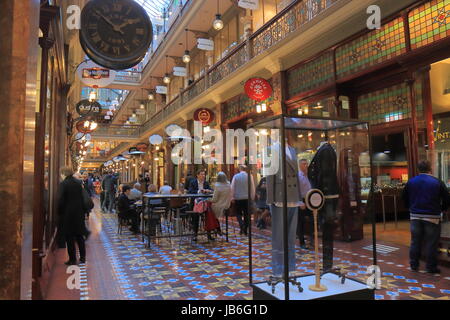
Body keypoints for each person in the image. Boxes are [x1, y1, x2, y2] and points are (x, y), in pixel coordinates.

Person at [402, 160, 449, 274]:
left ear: (418, 169)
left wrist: (410, 207)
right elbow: (447, 198)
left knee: (415, 241)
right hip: (432, 216)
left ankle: (414, 265)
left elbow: (404, 197)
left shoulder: (411, 182)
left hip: (415, 216)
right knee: (432, 242)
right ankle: (431, 267)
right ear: (430, 169)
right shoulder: (437, 182)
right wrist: (441, 209)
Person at [57, 167, 88, 265]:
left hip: (68, 214)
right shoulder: (78, 183)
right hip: (79, 214)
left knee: (69, 237)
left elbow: (61, 200)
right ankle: (83, 258)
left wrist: (59, 212)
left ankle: (72, 259)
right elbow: (83, 198)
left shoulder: (63, 184)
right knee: (79, 236)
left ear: (64, 174)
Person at [188, 170, 213, 241]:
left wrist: (208, 191)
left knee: (209, 216)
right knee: (195, 218)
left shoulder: (206, 183)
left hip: (204, 203)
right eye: (202, 174)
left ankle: (209, 235)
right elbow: (190, 191)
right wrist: (199, 191)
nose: (203, 176)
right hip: (195, 203)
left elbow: (211, 190)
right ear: (197, 175)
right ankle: (195, 234)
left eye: (204, 174)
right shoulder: (193, 182)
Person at [231, 165, 255, 236]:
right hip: (247, 198)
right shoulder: (250, 176)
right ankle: (245, 228)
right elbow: (252, 187)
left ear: (240, 169)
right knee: (247, 214)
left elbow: (232, 187)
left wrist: (232, 197)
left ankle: (241, 225)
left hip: (238, 198)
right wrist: (252, 197)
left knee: (238, 213)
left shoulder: (236, 176)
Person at [210, 172, 232, 238]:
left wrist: (208, 199)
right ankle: (217, 229)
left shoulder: (217, 185)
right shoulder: (229, 184)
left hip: (219, 206)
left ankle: (215, 228)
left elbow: (214, 199)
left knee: (208, 211)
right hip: (227, 205)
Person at [297, 159, 312, 250]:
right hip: (301, 201)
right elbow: (296, 190)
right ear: (300, 165)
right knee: (301, 223)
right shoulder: (298, 176)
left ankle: (311, 240)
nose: (306, 165)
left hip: (310, 200)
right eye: (304, 164)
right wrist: (299, 202)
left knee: (311, 220)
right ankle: (302, 242)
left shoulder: (309, 176)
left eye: (307, 164)